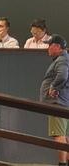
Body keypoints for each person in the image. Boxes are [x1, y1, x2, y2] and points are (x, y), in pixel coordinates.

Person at [39, 34, 69, 166]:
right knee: (63, 135)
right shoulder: (63, 59)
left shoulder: (62, 60)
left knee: (59, 135)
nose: (47, 49)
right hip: (62, 103)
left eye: (49, 45)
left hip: (57, 103)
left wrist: (53, 87)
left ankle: (62, 164)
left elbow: (62, 76)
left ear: (57, 46)